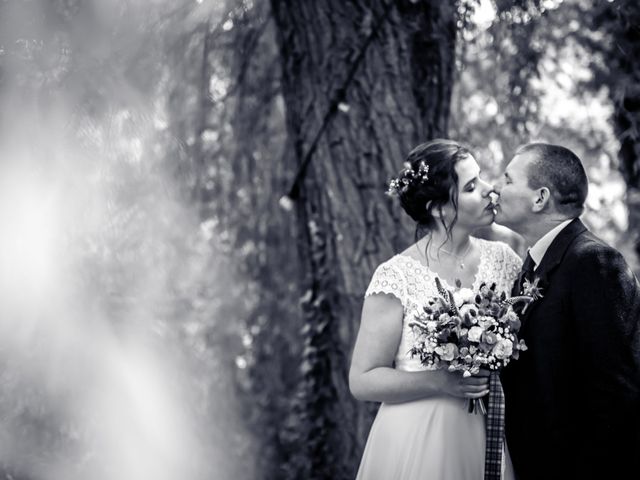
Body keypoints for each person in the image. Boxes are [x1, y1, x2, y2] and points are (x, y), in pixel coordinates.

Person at [349, 139, 521, 480]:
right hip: (417, 437)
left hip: (488, 430)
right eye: (472, 186)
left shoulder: (505, 261)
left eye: (482, 179)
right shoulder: (396, 276)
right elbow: (363, 380)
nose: (490, 191)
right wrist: (441, 381)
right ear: (439, 209)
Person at [493, 142, 640, 480]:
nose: (496, 188)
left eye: (508, 180)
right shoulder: (531, 267)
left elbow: (617, 396)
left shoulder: (594, 262)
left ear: (540, 197)